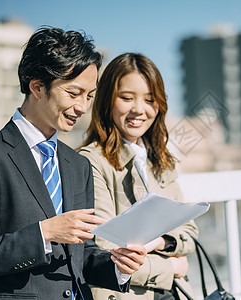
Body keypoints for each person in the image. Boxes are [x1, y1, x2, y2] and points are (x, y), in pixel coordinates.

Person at [0, 28, 146, 300]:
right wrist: (43, 233)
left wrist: (118, 267)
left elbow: (82, 258)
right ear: (37, 87)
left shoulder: (77, 164)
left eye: (89, 96)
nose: (83, 107)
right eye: (74, 93)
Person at [79, 53, 198, 300]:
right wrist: (171, 267)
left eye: (149, 99)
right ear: (107, 101)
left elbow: (189, 232)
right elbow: (104, 247)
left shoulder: (161, 159)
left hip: (174, 292)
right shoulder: (91, 161)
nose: (139, 110)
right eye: (126, 98)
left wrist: (160, 241)